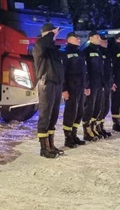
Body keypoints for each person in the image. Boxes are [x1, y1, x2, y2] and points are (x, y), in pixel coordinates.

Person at [32, 23, 65, 158]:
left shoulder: (52, 50)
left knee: (53, 115)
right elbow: (44, 43)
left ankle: (51, 145)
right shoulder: (39, 45)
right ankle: (43, 148)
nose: (56, 35)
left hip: (56, 84)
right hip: (46, 83)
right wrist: (50, 33)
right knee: (45, 115)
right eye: (53, 33)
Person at [62, 32, 89, 148]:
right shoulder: (65, 53)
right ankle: (67, 138)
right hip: (70, 87)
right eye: (76, 38)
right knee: (70, 112)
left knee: (79, 112)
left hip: (80, 87)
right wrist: (64, 89)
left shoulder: (80, 53)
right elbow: (62, 73)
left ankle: (74, 135)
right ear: (69, 39)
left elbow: (84, 71)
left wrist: (86, 86)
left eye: (78, 37)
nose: (78, 39)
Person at [82, 31, 104, 142]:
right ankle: (86, 130)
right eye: (97, 37)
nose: (99, 38)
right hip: (91, 83)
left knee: (98, 106)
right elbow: (85, 70)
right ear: (90, 38)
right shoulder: (86, 51)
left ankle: (93, 126)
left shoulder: (98, 51)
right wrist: (86, 85)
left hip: (99, 83)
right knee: (89, 106)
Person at [97, 35, 115, 138]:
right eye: (104, 41)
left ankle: (101, 126)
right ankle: (97, 127)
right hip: (102, 84)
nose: (106, 42)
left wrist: (111, 82)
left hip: (108, 83)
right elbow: (101, 71)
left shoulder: (107, 53)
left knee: (106, 107)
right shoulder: (100, 53)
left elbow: (109, 69)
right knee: (100, 107)